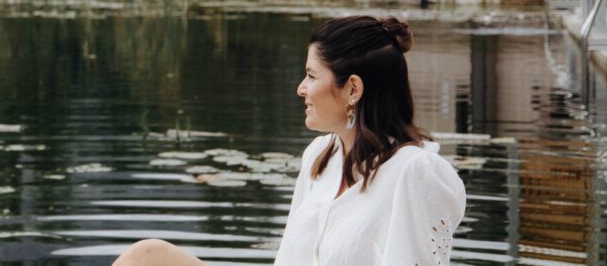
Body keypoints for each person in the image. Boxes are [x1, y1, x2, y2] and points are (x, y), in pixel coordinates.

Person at [111, 15, 466, 266]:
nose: (301, 88)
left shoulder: (415, 171)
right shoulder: (320, 154)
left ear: (353, 88)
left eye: (311, 75)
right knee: (148, 256)